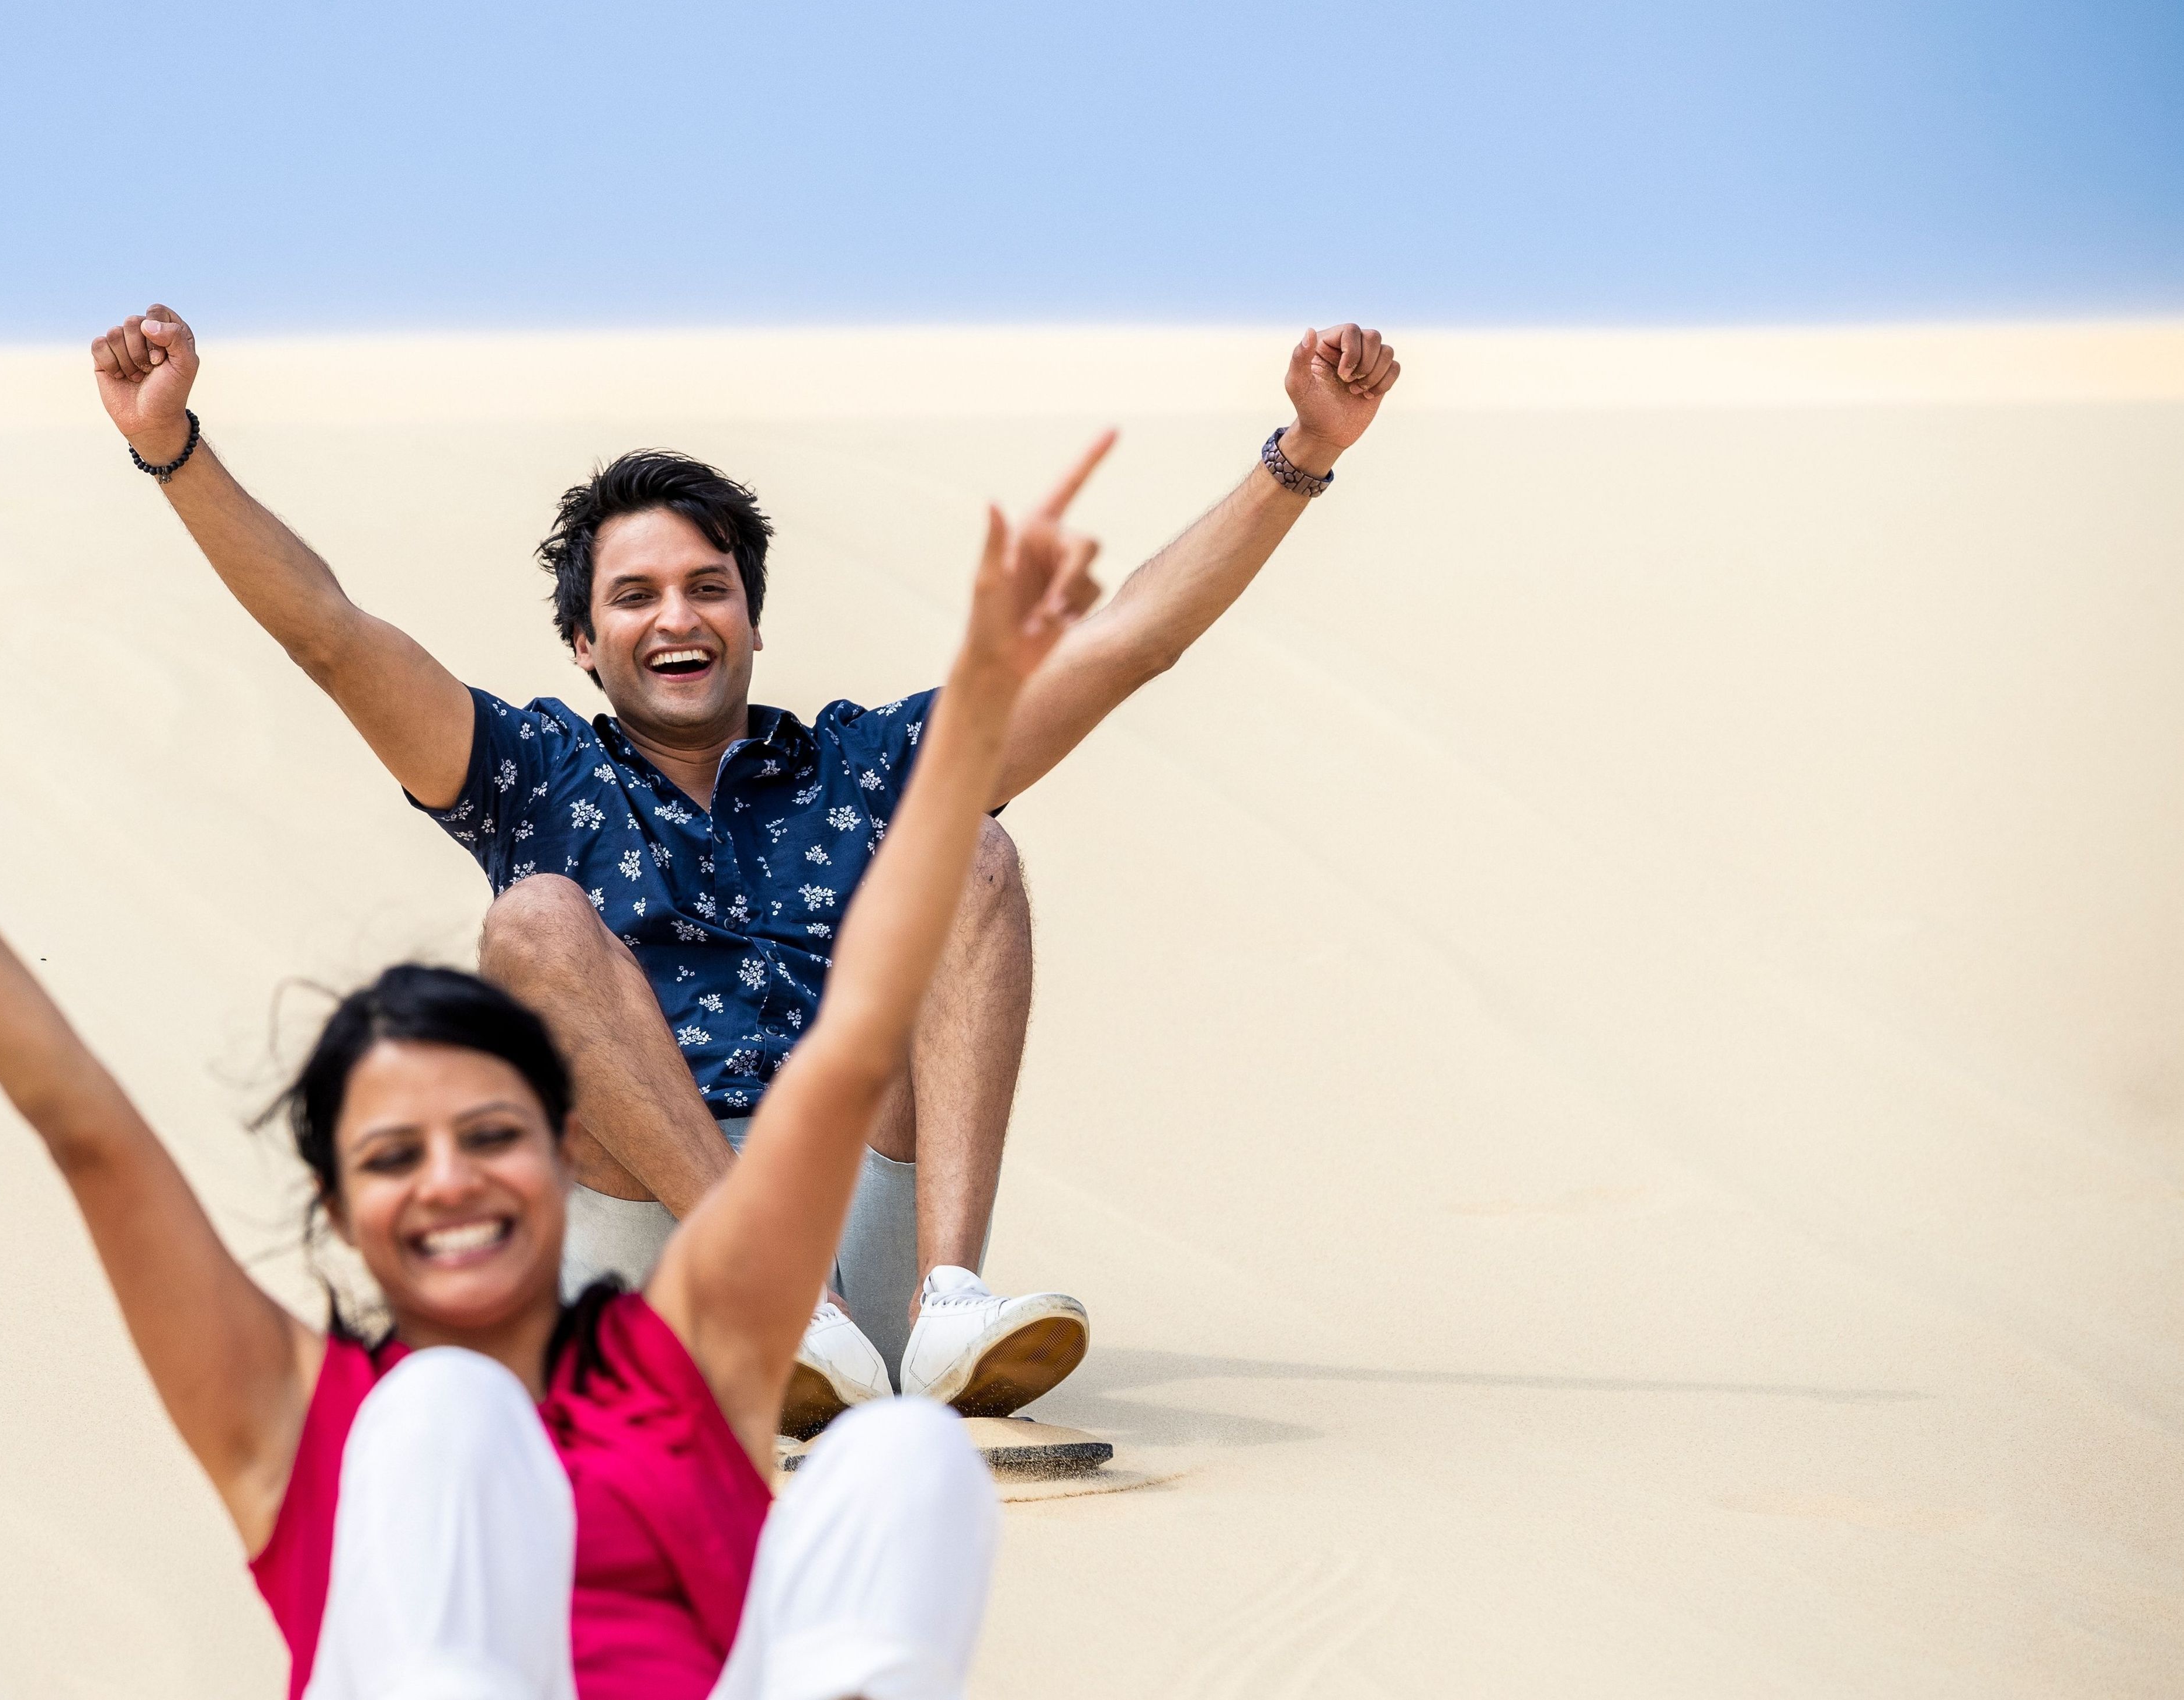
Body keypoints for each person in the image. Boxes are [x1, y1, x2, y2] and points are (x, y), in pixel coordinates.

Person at [0, 445, 1106, 1700]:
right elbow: (76, 1117)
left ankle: (925, 1320)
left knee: (902, 1467)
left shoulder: (689, 1370)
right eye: (395, 1155)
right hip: (647, 1293)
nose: (454, 1176)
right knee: (443, 1414)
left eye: (484, 1133)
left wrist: (981, 698)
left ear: (544, 1147)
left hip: (781, 1299)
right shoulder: (312, 1416)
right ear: (335, 1210)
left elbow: (862, 1040)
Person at [88, 303, 1401, 1428]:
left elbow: (1116, 649)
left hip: (856, 1236)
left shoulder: (860, 765)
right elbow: (330, 636)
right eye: (635, 595)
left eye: (708, 587)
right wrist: (171, 448)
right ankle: (768, 1300)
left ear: (753, 622)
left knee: (965, 846)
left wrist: (1301, 455)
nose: (677, 616)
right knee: (535, 918)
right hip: (649, 1234)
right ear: (585, 647)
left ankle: (946, 1311)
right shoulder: (535, 773)